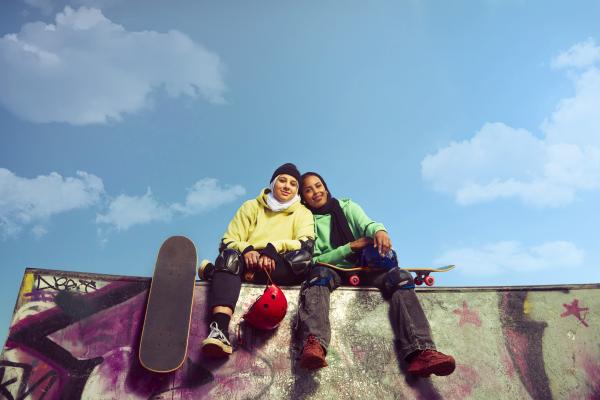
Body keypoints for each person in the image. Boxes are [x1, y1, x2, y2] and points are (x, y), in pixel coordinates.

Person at [296, 172, 455, 377]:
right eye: (308, 190)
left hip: (365, 268)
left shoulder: (346, 207)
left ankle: (422, 352)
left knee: (401, 278)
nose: (315, 192)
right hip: (332, 269)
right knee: (317, 275)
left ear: (325, 187)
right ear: (303, 197)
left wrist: (380, 231)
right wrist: (349, 247)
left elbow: (368, 225)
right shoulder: (306, 220)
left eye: (318, 186)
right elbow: (315, 259)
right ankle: (314, 344)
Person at [199, 163, 315, 358]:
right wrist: (247, 250)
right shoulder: (251, 206)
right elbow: (228, 240)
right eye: (282, 180)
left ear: (297, 190)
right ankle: (219, 331)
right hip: (248, 258)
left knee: (303, 260)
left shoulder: (303, 212)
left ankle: (215, 273)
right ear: (272, 183)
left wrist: (273, 249)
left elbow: (305, 243)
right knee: (229, 257)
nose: (287, 186)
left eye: (293, 184)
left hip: (279, 262)